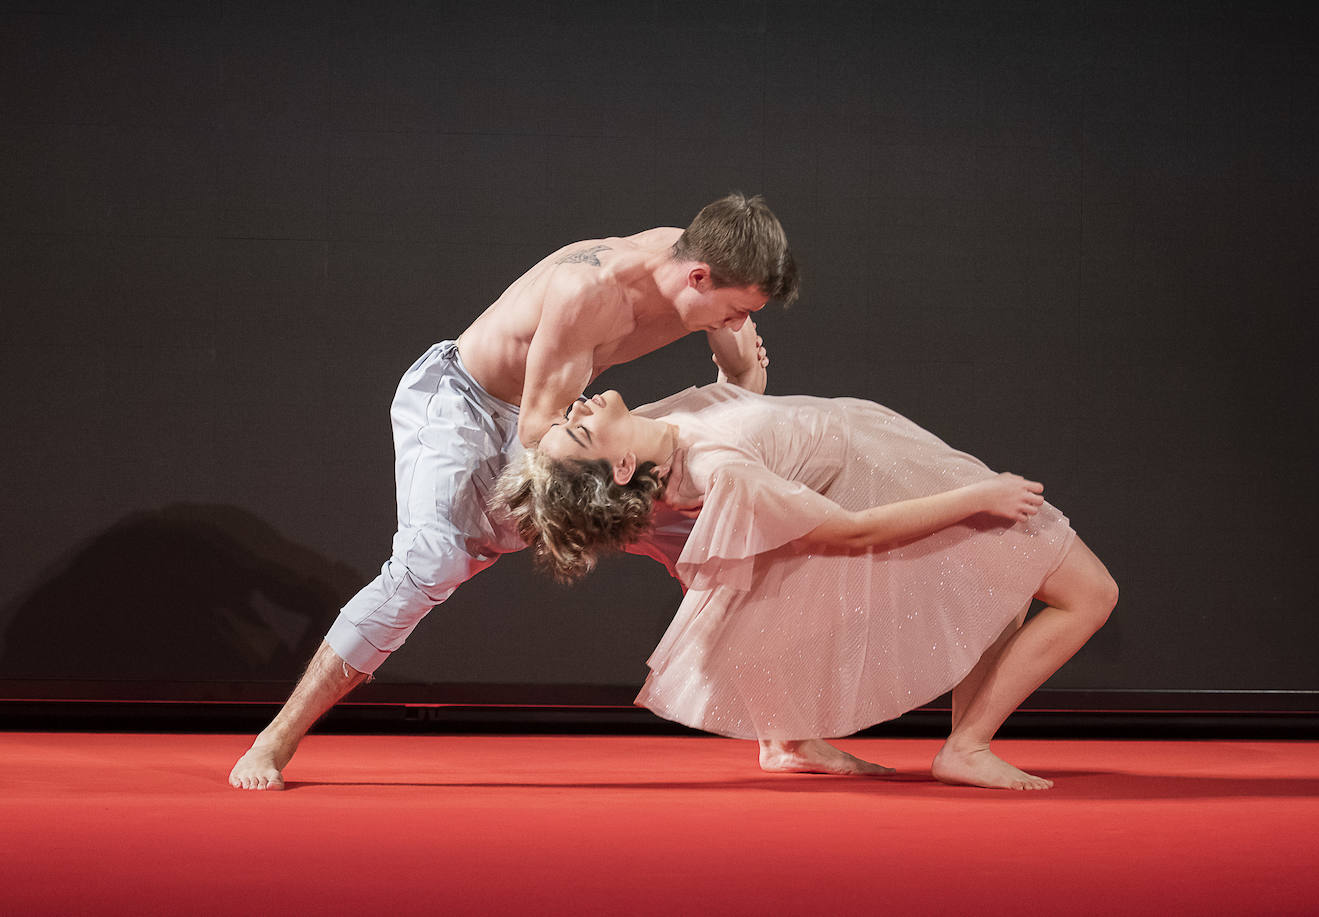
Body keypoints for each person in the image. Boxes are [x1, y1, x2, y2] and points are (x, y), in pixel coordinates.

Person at [230, 193, 859, 790]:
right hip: (468, 407)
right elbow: (538, 431)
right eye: (738, 310)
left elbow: (739, 391)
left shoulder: (704, 267)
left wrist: (736, 386)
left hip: (568, 428)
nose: (740, 323)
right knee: (432, 562)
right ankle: (275, 739)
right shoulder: (590, 290)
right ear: (697, 277)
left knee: (721, 543)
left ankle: (787, 735)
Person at [494, 384, 1119, 790]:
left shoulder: (652, 431)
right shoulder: (722, 475)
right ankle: (967, 746)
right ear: (622, 467)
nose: (577, 409)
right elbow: (853, 532)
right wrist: (976, 497)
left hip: (873, 445)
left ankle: (798, 740)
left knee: (991, 586)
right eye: (578, 430)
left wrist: (734, 352)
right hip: (881, 478)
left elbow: (745, 411)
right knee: (1091, 593)